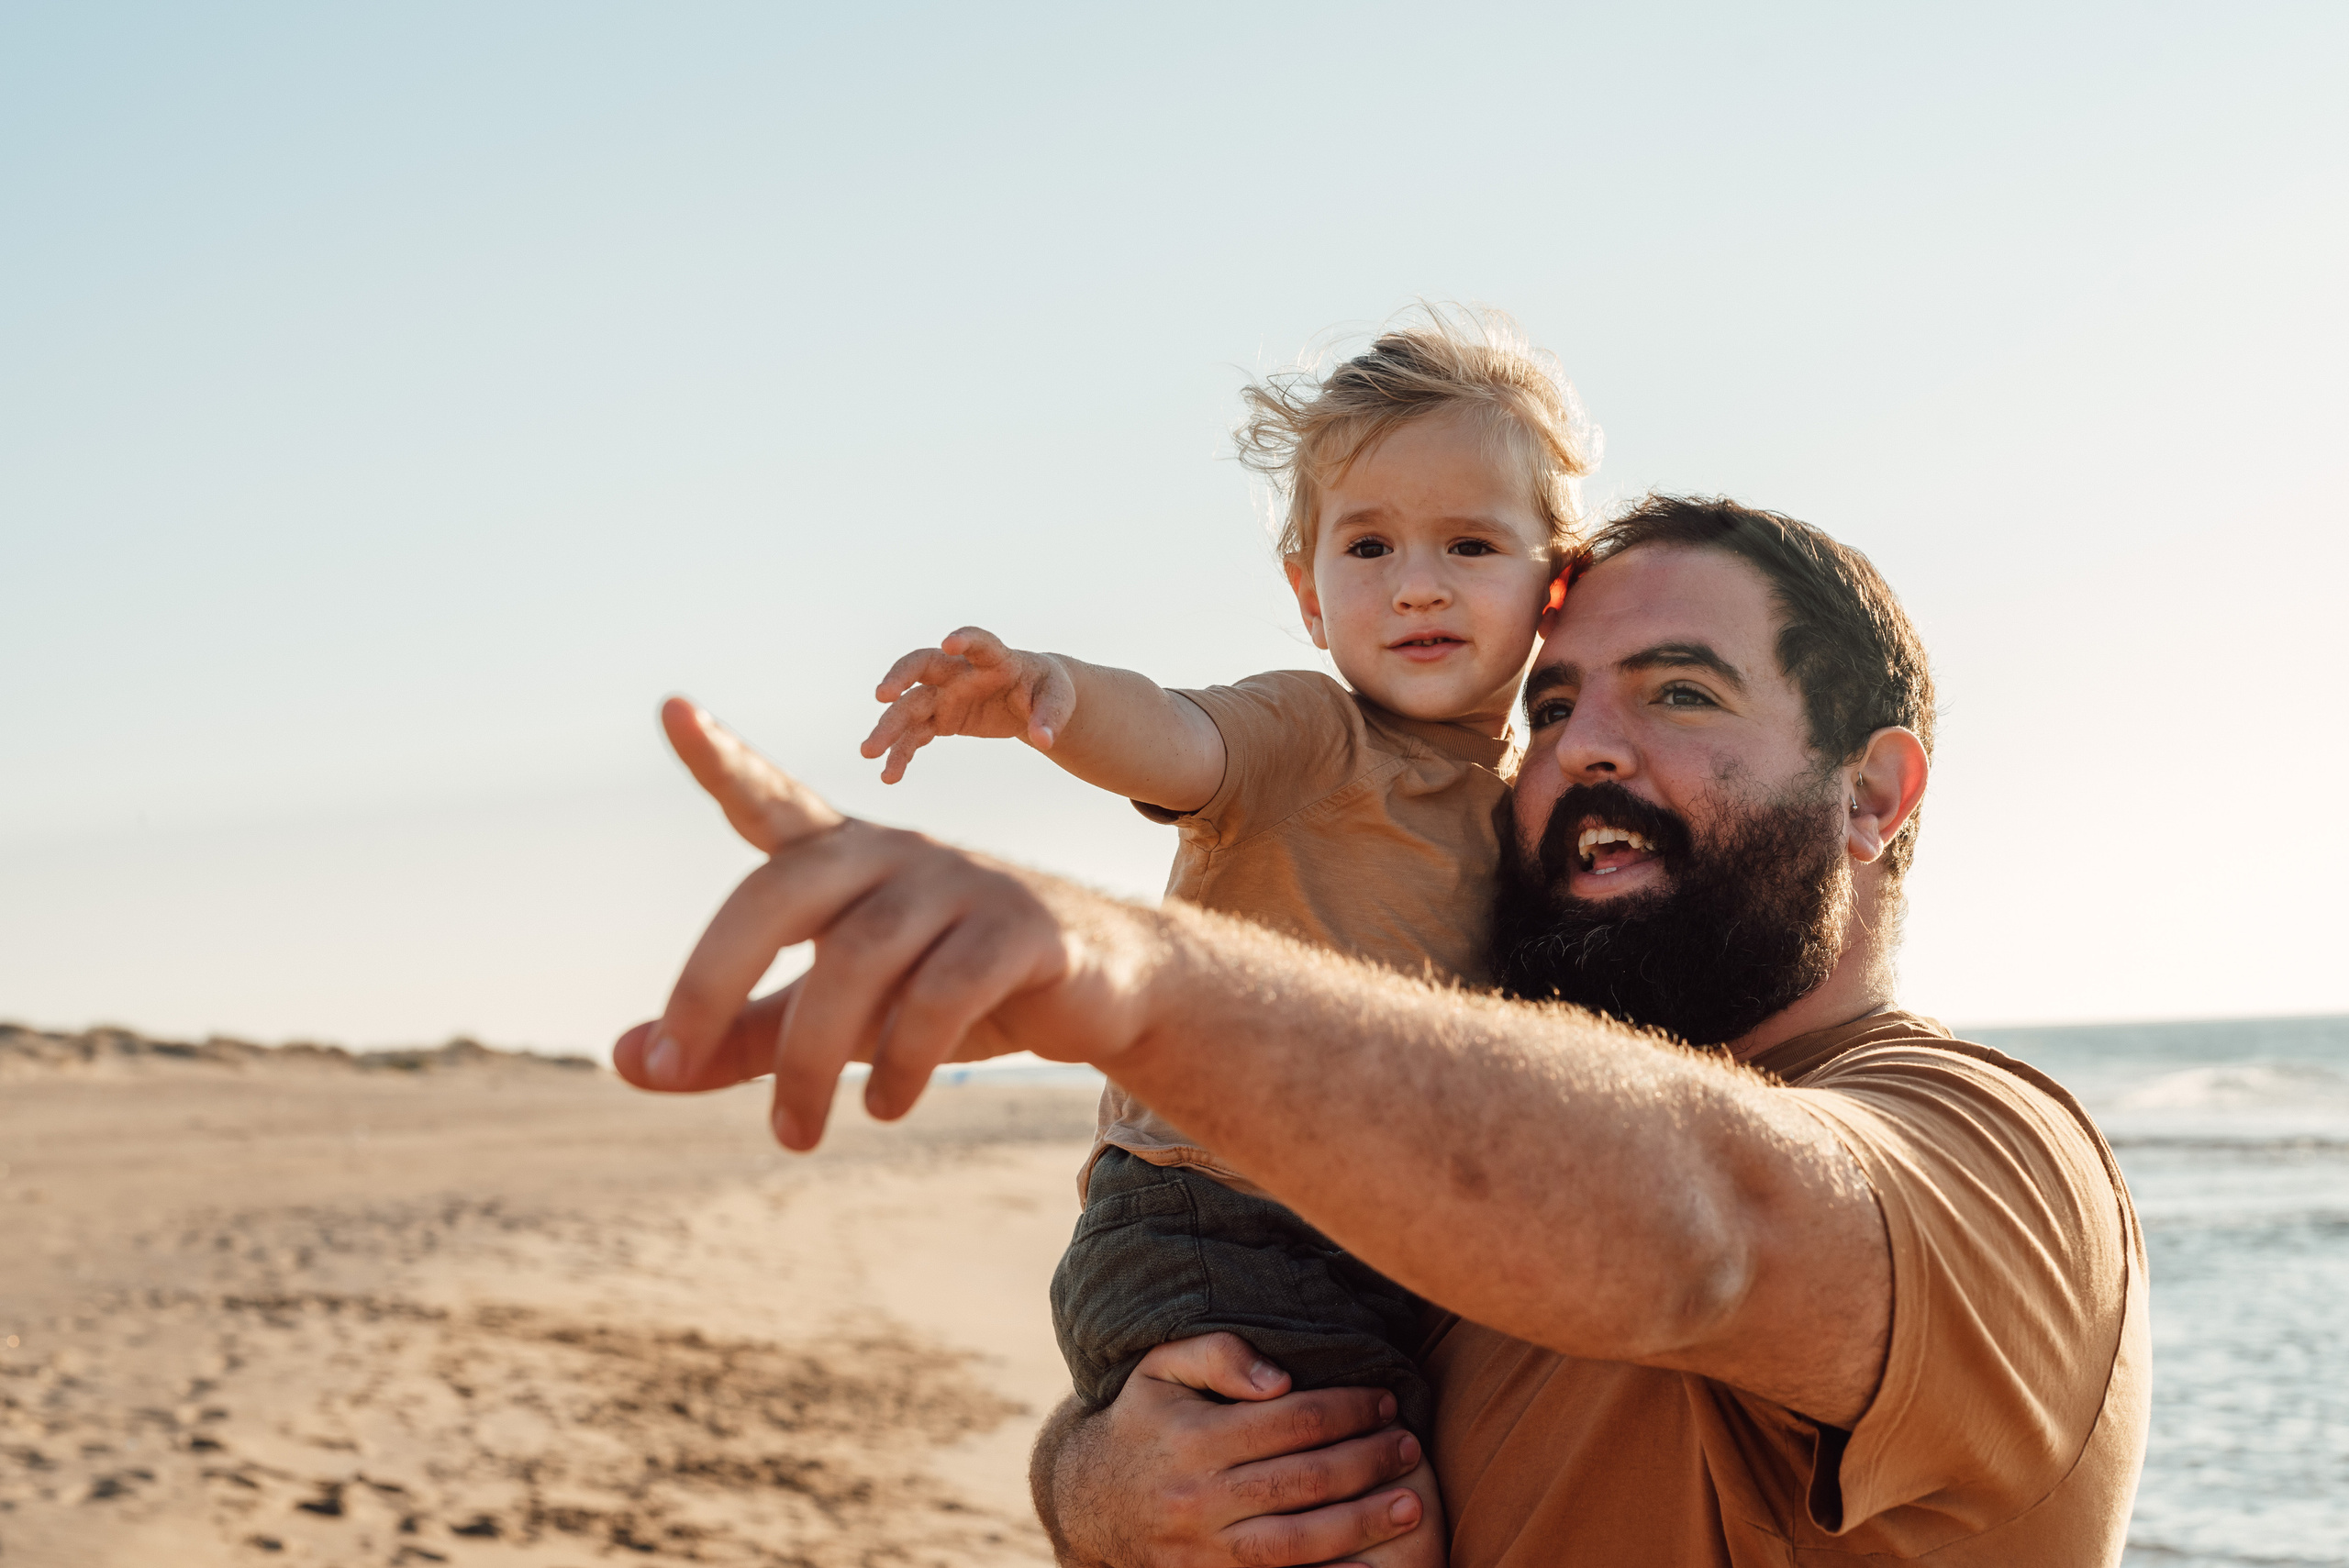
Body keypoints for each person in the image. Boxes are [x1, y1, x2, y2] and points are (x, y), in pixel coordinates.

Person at [618, 496, 2149, 1565]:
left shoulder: (2000, 1157)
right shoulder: (1479, 1137)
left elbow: (1719, 1221)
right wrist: (1103, 1486)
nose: (1586, 747)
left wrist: (1137, 974)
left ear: (1874, 793)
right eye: (1547, 710)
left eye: (1679, 690)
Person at [851, 311, 1596, 1567]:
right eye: (1370, 545)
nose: (1417, 581)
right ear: (1308, 596)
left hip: (1364, 1251)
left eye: (1470, 543)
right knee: (1366, 1524)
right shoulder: (1311, 734)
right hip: (1216, 1217)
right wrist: (1056, 695)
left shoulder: (1530, 812)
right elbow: (1181, 738)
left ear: (1554, 583)